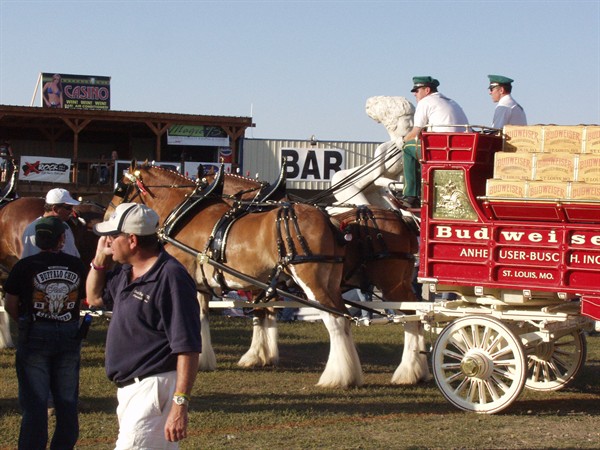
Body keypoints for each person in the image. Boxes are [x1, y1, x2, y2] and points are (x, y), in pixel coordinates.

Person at [85, 203, 201, 449]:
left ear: (132, 240)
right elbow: (94, 298)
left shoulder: (170, 277)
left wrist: (180, 403)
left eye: (113, 236)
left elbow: (188, 346)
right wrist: (99, 259)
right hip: (132, 390)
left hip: (152, 389)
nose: (108, 241)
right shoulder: (127, 271)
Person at [4, 216, 87, 450]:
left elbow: (11, 302)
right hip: (69, 334)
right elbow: (82, 298)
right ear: (62, 239)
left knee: (35, 402)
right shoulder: (76, 265)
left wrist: (21, 322)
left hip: (35, 333)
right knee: (67, 400)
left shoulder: (24, 266)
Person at [399, 76, 469, 208]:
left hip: (442, 149)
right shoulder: (452, 102)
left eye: (417, 90)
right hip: (461, 149)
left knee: (407, 148)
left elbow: (415, 132)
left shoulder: (425, 102)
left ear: (427, 90)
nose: (415, 94)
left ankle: (411, 194)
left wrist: (401, 140)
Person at [21, 188, 81, 258]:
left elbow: (73, 255)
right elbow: (30, 262)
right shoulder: (32, 229)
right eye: (68, 208)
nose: (71, 211)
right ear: (55, 209)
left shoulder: (65, 225)